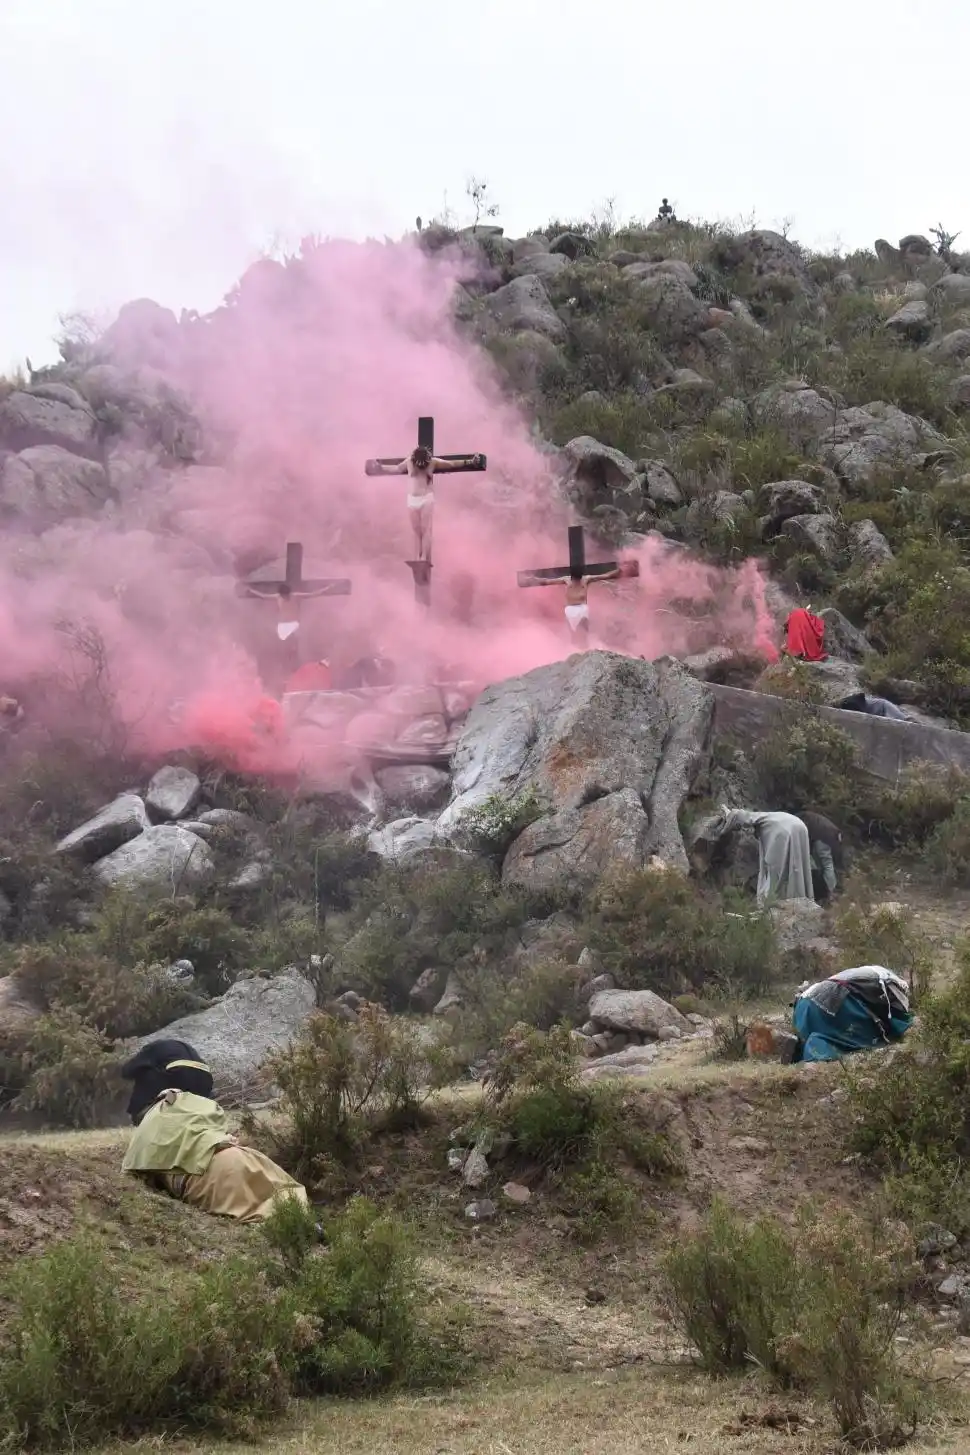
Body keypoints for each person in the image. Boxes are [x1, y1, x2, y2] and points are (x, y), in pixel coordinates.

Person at [120, 1040, 310, 1225]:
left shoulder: (155, 1120)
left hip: (212, 1174)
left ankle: (290, 1226)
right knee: (288, 1195)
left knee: (260, 1214)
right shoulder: (198, 1107)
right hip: (241, 1156)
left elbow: (133, 1170)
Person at [368, 446, 485, 564]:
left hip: (426, 498)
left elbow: (451, 464)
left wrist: (469, 461)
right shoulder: (409, 461)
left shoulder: (432, 462)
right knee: (416, 530)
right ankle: (416, 557)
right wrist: (380, 467)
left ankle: (423, 557)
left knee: (425, 529)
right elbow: (397, 468)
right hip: (412, 499)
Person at [792, 967, 912, 1063]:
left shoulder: (871, 973)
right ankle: (821, 1049)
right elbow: (897, 1011)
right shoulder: (888, 981)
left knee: (824, 1033)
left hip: (804, 1006)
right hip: (834, 998)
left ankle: (810, 1048)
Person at [712, 807, 814, 906]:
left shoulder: (756, 821)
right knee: (797, 864)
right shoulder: (764, 817)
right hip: (799, 826)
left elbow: (738, 817)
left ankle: (769, 902)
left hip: (783, 829)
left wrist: (723, 827)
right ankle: (799, 896)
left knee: (775, 870)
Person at [520, 564, 622, 642]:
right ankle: (574, 654)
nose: (576, 579)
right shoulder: (566, 580)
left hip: (582, 608)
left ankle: (584, 651)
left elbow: (606, 575)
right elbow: (547, 581)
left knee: (583, 633)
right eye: (575, 577)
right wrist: (533, 579)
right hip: (570, 610)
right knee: (573, 636)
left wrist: (620, 570)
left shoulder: (586, 579)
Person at [798, 809, 844, 901]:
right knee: (824, 865)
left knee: (826, 864)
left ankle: (830, 892)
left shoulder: (800, 821)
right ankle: (825, 890)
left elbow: (805, 838)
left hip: (824, 837)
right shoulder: (808, 817)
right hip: (831, 834)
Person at [836, 691, 908, 721]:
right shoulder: (847, 703)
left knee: (903, 720)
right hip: (877, 709)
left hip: (882, 707)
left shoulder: (849, 702)